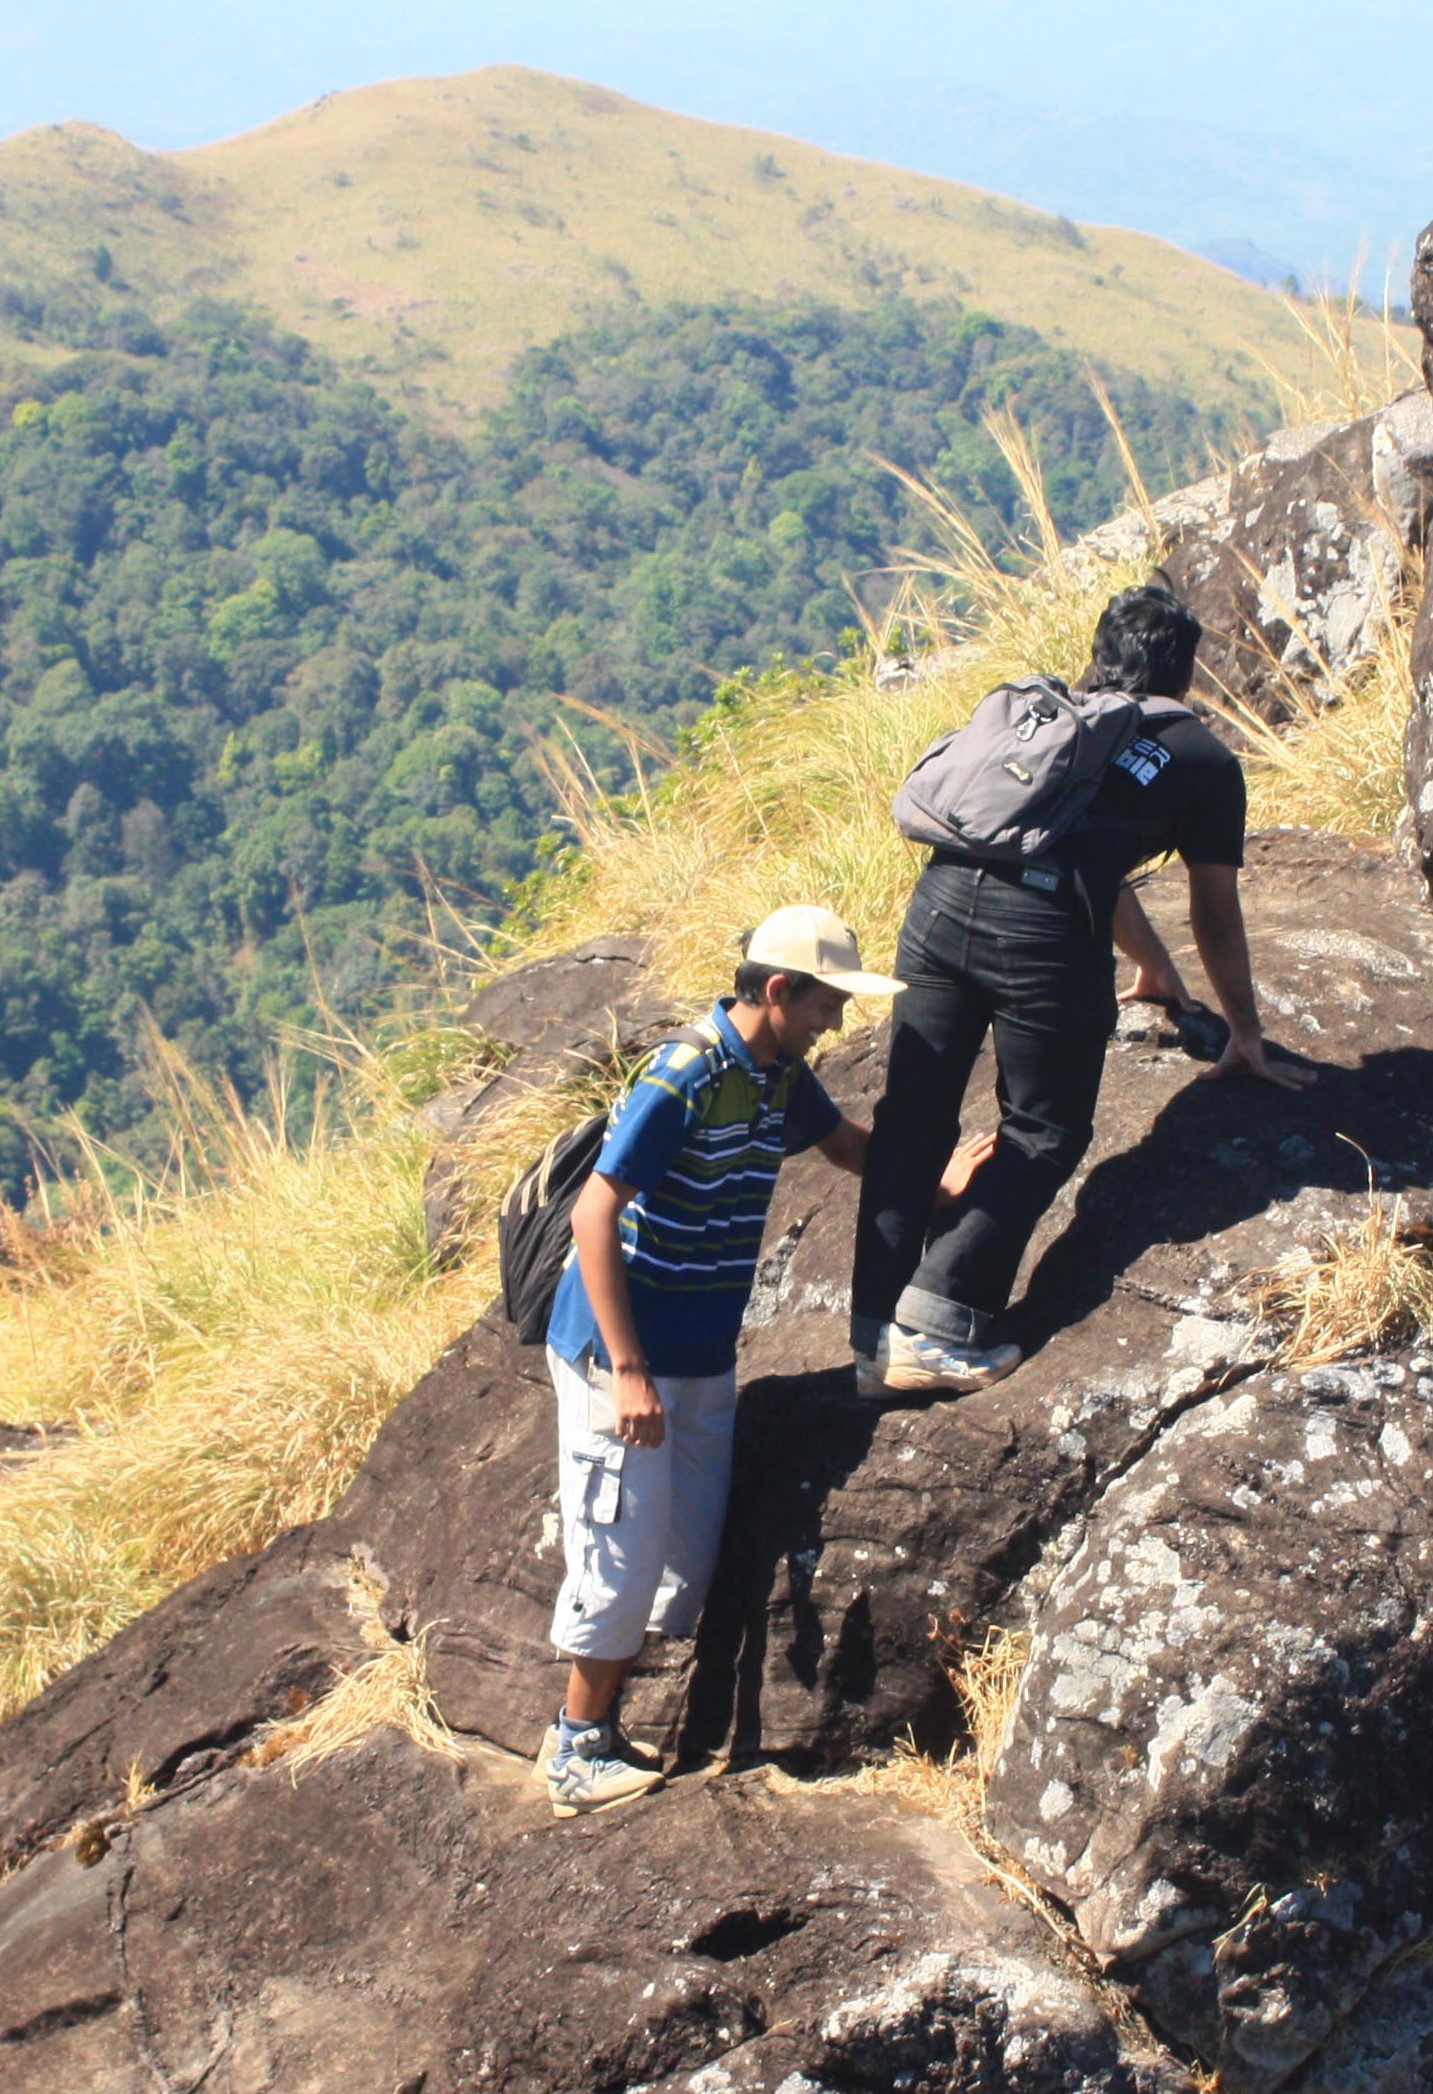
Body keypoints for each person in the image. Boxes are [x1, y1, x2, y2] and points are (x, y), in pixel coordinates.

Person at [851, 581, 1297, 1398]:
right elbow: (1216, 910)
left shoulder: (1059, 722)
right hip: (1043, 933)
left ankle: (872, 1331)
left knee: (912, 1118)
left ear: (1100, 654)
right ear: (1185, 675)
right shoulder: (1201, 759)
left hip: (940, 899)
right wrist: (1245, 1029)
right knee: (1043, 1131)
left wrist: (1151, 965)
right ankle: (936, 1319)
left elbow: (1082, 854)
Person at [541, 903, 895, 1815]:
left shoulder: (777, 1076)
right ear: (779, 991)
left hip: (702, 1351)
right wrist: (626, 1371)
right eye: (826, 1003)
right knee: (619, 1549)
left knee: (683, 1554)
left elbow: (845, 1145)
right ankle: (576, 1745)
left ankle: (621, 1716)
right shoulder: (687, 1076)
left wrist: (938, 1179)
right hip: (623, 1358)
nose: (836, 1023)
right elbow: (595, 1211)